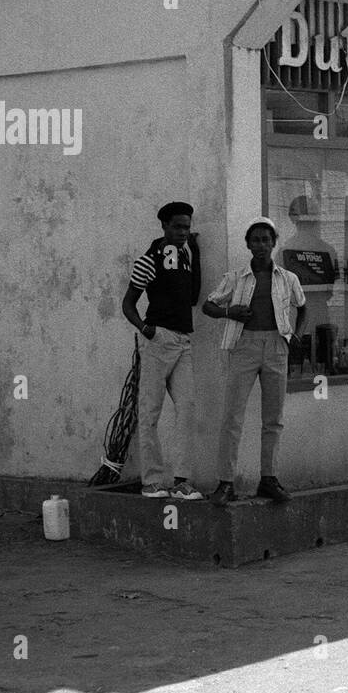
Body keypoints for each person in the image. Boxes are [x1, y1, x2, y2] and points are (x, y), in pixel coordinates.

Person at [203, 217, 307, 504]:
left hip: (276, 345)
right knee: (232, 417)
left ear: (274, 243)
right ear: (247, 244)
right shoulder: (236, 277)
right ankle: (226, 482)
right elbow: (208, 305)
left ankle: (269, 479)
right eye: (255, 240)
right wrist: (229, 313)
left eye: (266, 239)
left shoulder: (288, 278)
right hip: (244, 345)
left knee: (273, 418)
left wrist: (295, 335)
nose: (261, 245)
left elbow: (303, 307)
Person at [121, 201, 203, 499]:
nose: (183, 232)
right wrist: (146, 329)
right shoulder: (149, 259)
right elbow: (128, 304)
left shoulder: (187, 253)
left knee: (188, 409)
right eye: (178, 226)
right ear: (164, 226)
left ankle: (182, 480)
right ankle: (152, 481)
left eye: (187, 226)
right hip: (158, 340)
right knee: (150, 410)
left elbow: (193, 296)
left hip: (183, 341)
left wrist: (196, 251)